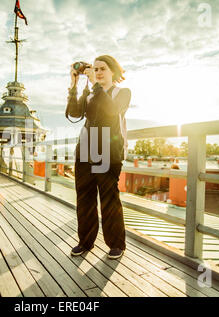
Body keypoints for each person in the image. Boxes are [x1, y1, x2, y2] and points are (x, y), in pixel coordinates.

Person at [65, 55, 131, 259]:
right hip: (85, 150)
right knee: (84, 198)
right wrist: (74, 84)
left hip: (108, 151)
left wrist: (95, 85)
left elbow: (112, 112)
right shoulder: (91, 92)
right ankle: (85, 242)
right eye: (95, 69)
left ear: (113, 72)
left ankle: (116, 244)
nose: (98, 72)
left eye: (103, 69)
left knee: (109, 199)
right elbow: (74, 114)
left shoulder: (122, 93)